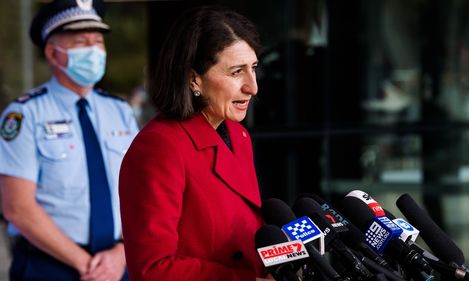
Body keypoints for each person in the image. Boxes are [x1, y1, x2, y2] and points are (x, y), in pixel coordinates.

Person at [119, 6, 273, 281]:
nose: (252, 86)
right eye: (236, 72)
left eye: (253, 68)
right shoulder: (159, 148)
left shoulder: (237, 135)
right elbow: (153, 268)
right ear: (194, 79)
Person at [0, 0, 138, 280]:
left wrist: (120, 253)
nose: (94, 50)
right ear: (53, 53)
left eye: (98, 41)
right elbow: (17, 207)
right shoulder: (24, 114)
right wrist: (87, 265)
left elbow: (139, 190)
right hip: (49, 265)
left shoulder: (120, 111)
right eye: (81, 42)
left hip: (118, 262)